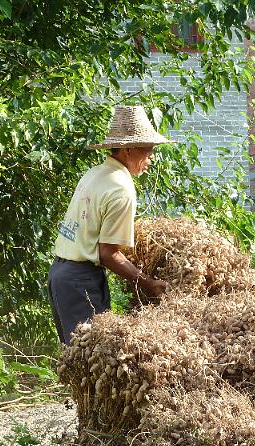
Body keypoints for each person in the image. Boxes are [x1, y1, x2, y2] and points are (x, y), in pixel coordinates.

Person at [47, 105, 170, 344]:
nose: (151, 158)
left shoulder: (95, 173)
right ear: (127, 150)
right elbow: (108, 254)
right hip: (80, 282)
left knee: (76, 360)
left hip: (60, 275)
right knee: (88, 363)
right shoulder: (121, 189)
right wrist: (147, 283)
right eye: (148, 150)